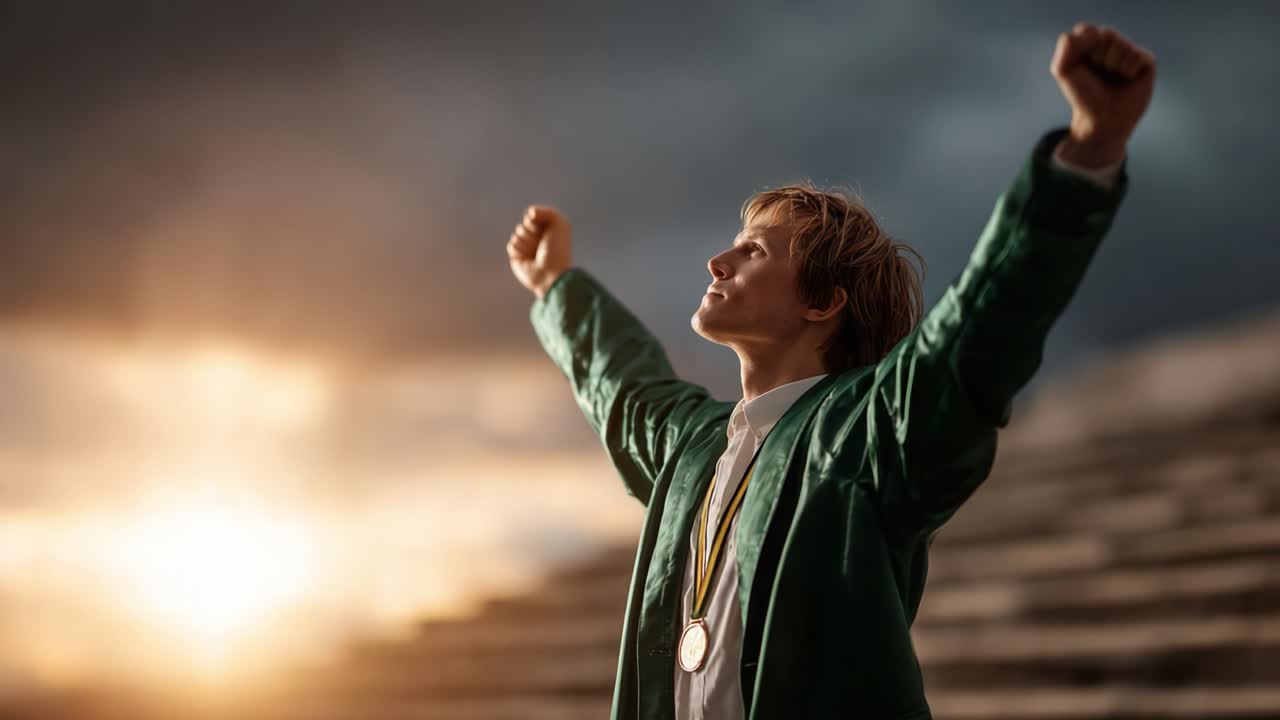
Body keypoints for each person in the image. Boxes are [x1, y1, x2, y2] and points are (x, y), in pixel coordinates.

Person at [505, 21, 1155, 720]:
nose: (717, 263)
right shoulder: (694, 449)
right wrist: (556, 287)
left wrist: (1085, 158)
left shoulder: (871, 435)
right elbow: (624, 386)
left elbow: (979, 329)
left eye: (754, 251)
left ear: (823, 301)